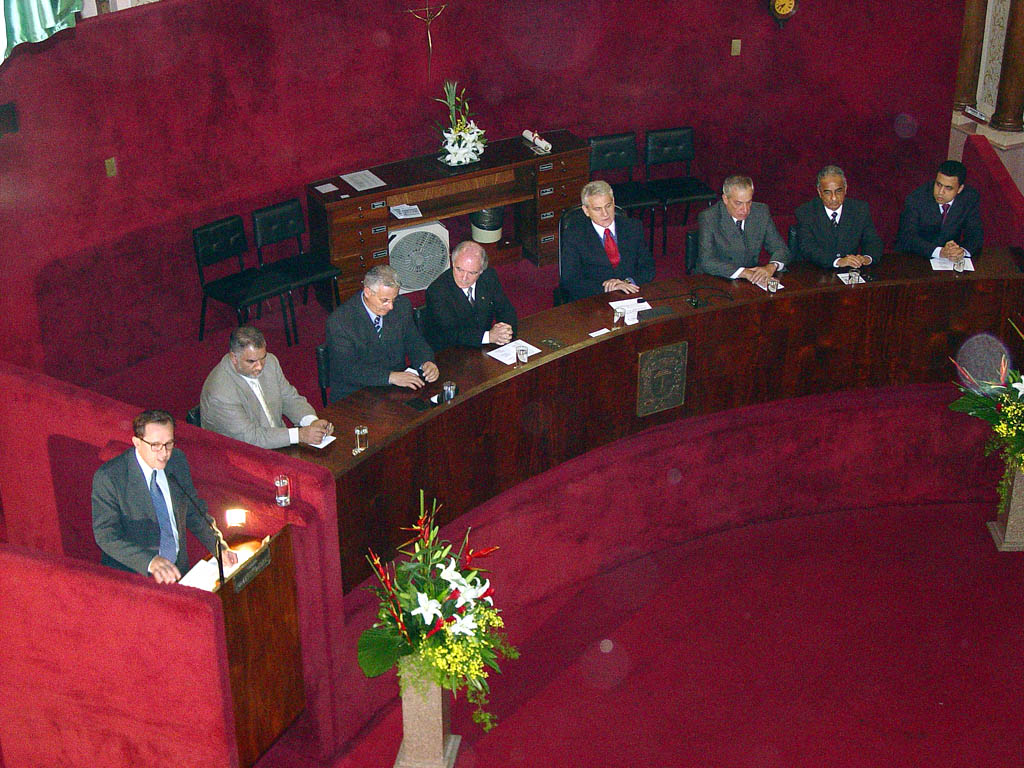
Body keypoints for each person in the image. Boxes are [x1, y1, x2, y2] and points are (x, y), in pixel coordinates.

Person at [92, 409, 237, 584]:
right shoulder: (110, 477)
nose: (164, 453)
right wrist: (150, 561)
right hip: (135, 575)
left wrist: (218, 547)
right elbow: (106, 536)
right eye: (156, 445)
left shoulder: (177, 461)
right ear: (137, 442)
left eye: (169, 444)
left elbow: (194, 511)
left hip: (178, 571)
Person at [200, 325, 333, 449]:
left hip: (278, 442)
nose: (260, 366)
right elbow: (252, 437)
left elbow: (289, 398)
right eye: (251, 361)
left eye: (262, 358)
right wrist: (300, 435)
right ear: (234, 358)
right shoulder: (220, 393)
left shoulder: (270, 362)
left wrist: (311, 421)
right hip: (243, 456)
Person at [325, 265, 438, 402]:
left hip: (394, 387)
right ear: (367, 292)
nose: (391, 306)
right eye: (385, 300)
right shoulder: (340, 321)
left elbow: (414, 341)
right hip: (356, 391)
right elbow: (348, 370)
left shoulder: (401, 306)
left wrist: (425, 362)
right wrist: (390, 377)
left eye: (394, 299)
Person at [559, 180, 655, 302]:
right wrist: (608, 288)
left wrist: (627, 282)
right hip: (594, 298)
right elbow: (570, 280)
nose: (605, 214)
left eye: (608, 206)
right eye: (597, 209)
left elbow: (648, 267)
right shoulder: (574, 235)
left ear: (614, 203)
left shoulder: (633, 227)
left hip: (630, 293)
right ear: (586, 211)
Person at [695, 175, 790, 287]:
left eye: (749, 202)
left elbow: (780, 248)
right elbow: (707, 262)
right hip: (717, 279)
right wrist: (744, 272)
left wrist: (771, 267)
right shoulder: (709, 217)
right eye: (738, 203)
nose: (745, 210)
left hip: (749, 281)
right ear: (725, 199)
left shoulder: (761, 212)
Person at [423, 240, 518, 352]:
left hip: (483, 346)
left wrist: (506, 331)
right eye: (459, 269)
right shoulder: (437, 291)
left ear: (481, 271)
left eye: (472, 273)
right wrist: (488, 337)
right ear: (453, 263)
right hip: (450, 351)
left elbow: (505, 308)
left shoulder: (489, 277)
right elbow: (450, 333)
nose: (464, 278)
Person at [795, 165, 883, 269]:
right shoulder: (806, 212)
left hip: (851, 271)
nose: (834, 198)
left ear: (845, 189)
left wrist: (866, 258)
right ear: (819, 192)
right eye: (827, 192)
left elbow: (873, 241)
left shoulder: (860, 209)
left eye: (838, 191)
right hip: (817, 271)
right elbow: (807, 248)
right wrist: (838, 261)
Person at [897, 159, 983, 261]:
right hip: (916, 256)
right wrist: (940, 252)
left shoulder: (969, 198)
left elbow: (975, 235)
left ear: (960, 189)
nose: (940, 192)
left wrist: (961, 251)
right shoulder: (917, 198)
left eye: (948, 188)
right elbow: (907, 236)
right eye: (938, 184)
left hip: (949, 260)